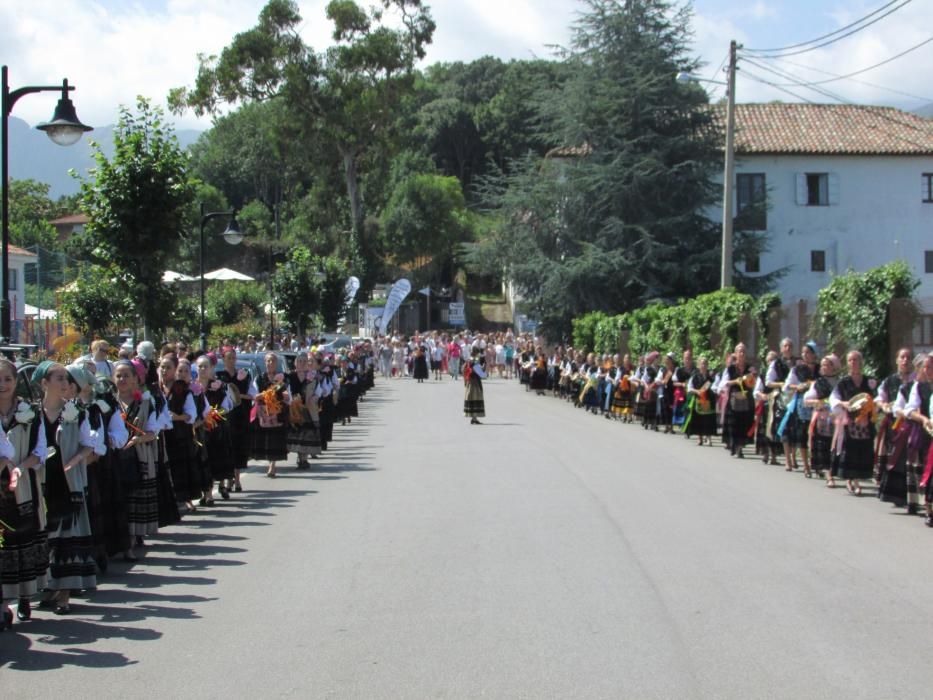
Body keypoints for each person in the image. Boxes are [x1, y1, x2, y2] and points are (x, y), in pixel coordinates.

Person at [34, 361, 97, 615]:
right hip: (41, 481)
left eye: (66, 378)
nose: (64, 383)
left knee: (66, 537)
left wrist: (77, 458)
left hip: (67, 480)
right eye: (58, 378)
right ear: (44, 383)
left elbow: (90, 444)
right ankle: (49, 586)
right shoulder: (29, 414)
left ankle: (64, 593)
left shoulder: (75, 412)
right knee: (45, 536)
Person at [0, 358, 46, 629]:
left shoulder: (30, 412)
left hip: (24, 483)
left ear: (15, 381)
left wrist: (20, 467)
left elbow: (40, 451)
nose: (2, 385)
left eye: (7, 379)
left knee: (24, 539)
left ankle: (25, 595)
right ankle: (3, 603)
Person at [830, 350, 877, 495]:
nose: (853, 363)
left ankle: (856, 477)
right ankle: (851, 480)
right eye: (850, 360)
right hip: (849, 422)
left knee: (862, 450)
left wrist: (870, 409)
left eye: (856, 360)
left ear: (861, 362)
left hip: (865, 423)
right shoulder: (843, 382)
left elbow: (876, 399)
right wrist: (843, 403)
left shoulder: (870, 381)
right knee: (849, 450)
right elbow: (834, 398)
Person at [215, 347, 256, 493]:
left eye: (233, 358)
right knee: (227, 447)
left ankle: (237, 480)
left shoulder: (244, 375)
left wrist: (238, 396)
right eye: (228, 358)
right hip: (225, 417)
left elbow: (252, 395)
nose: (232, 361)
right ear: (224, 359)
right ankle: (226, 479)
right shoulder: (219, 377)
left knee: (238, 447)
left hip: (240, 415)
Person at [253, 352, 290, 478]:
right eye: (268, 361)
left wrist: (279, 395)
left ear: (276, 363)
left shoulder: (282, 378)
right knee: (266, 439)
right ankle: (269, 461)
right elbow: (254, 395)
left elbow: (287, 396)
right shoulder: (259, 378)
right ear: (265, 363)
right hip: (263, 414)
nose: (270, 364)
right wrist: (264, 395)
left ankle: (272, 465)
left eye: (273, 361)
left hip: (277, 412)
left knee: (275, 439)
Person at [287, 353, 322, 469]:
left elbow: (320, 390)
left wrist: (316, 396)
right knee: (297, 435)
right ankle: (300, 456)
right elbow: (285, 390)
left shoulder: (312, 377)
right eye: (299, 361)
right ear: (295, 363)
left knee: (306, 435)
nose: (302, 363)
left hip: (307, 409)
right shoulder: (289, 376)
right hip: (294, 409)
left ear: (308, 363)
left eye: (304, 361)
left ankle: (304, 459)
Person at [464, 350, 487, 425]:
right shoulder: (474, 362)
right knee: (476, 399)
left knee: (472, 399)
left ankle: (474, 418)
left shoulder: (468, 361)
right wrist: (484, 366)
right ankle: (474, 418)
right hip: (475, 383)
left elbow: (464, 370)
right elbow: (482, 374)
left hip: (470, 382)